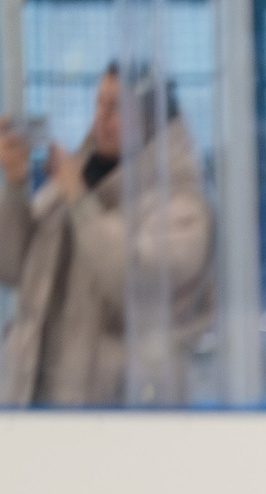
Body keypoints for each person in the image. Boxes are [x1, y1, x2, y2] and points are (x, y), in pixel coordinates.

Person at [0, 64, 213, 406]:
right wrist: (14, 186)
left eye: (116, 107)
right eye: (99, 104)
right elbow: (10, 267)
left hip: (122, 413)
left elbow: (132, 279)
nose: (102, 117)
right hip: (38, 404)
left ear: (152, 117)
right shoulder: (73, 181)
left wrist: (80, 202)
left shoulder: (181, 203)